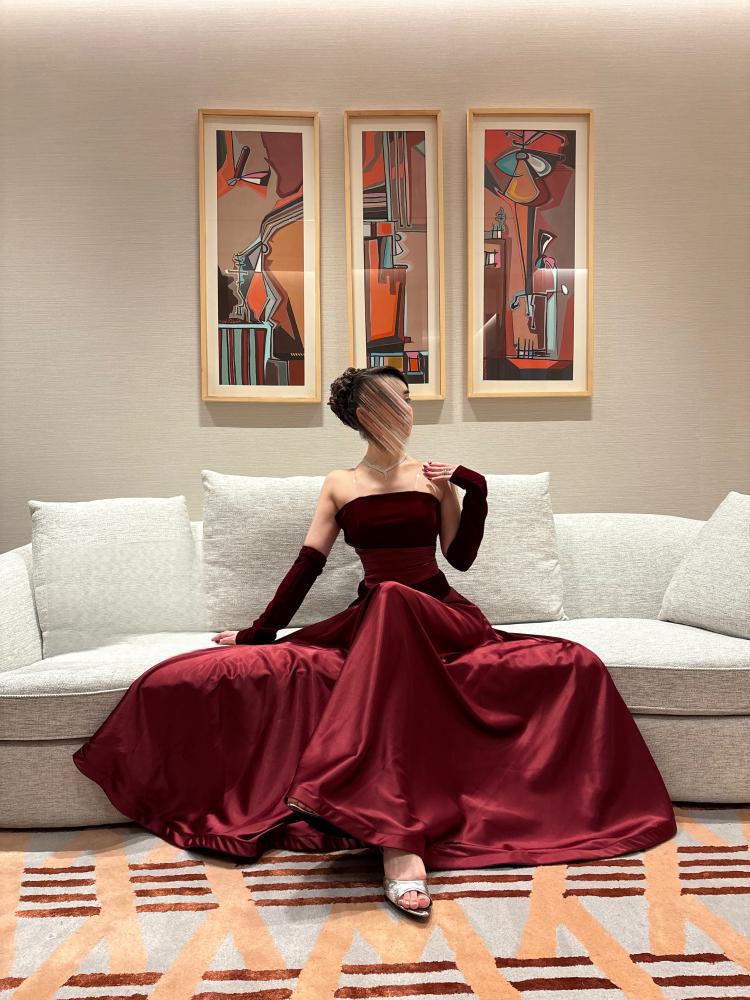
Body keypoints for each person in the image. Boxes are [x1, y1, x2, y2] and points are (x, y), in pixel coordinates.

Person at [72, 365, 677, 922]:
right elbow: (306, 567)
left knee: (392, 596)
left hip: (444, 616)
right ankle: (395, 837)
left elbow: (460, 559)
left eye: (409, 398)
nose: (411, 408)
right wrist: (259, 634)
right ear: (368, 412)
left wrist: (475, 488)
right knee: (382, 598)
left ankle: (366, 817)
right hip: (379, 619)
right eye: (400, 399)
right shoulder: (340, 484)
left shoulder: (432, 478)